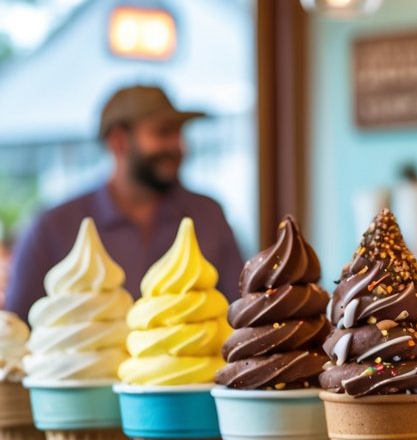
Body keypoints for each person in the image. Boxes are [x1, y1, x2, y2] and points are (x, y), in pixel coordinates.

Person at [5, 85, 243, 320]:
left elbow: (239, 311)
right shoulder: (53, 228)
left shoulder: (208, 214)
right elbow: (14, 330)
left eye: (179, 133)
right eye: (163, 133)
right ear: (118, 140)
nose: (179, 146)